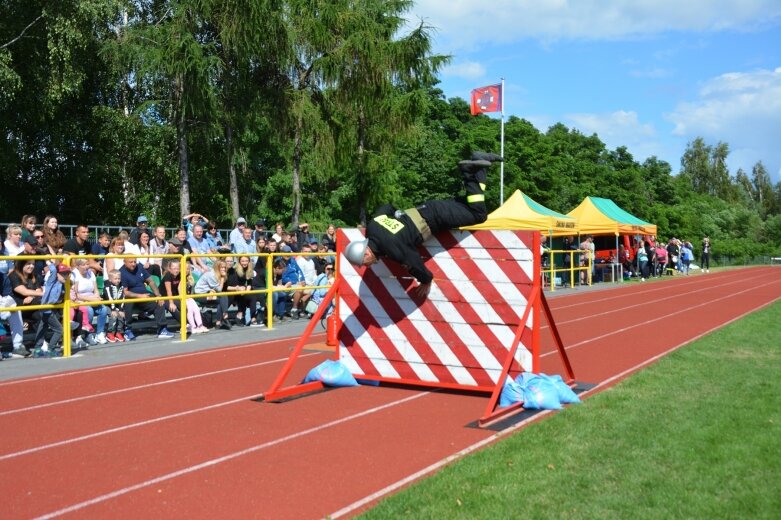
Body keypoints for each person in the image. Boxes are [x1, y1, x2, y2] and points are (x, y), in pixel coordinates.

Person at [344, 152, 500, 299]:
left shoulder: (392, 248)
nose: (364, 267)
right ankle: (480, 163)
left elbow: (415, 264)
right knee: (471, 201)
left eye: (362, 264)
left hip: (437, 217)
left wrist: (426, 280)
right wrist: (398, 214)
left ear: (366, 254)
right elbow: (385, 207)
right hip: (426, 209)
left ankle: (468, 171)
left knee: (478, 214)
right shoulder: (373, 227)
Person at [120, 257, 172, 340]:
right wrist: (140, 296)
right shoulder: (122, 272)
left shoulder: (139, 267)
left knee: (159, 302)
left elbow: (150, 281)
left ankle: (162, 329)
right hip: (131, 297)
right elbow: (125, 292)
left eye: (134, 262)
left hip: (144, 296)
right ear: (124, 262)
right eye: (131, 262)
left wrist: (158, 295)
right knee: (128, 302)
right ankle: (128, 330)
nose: (133, 264)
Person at [161, 260, 208, 334]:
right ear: (169, 269)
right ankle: (185, 324)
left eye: (177, 268)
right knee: (174, 308)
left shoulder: (180, 275)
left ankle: (196, 324)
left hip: (175, 296)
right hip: (164, 297)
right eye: (174, 268)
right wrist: (171, 303)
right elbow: (168, 291)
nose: (176, 270)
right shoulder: (168, 276)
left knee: (186, 306)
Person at [70, 258, 108, 345]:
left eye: (87, 264)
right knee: (89, 310)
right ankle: (87, 334)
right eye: (83, 265)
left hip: (92, 298)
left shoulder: (91, 273)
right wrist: (90, 299)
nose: (86, 267)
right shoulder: (74, 274)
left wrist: (97, 297)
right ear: (78, 266)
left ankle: (99, 333)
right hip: (79, 300)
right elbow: (75, 294)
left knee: (103, 309)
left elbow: (96, 289)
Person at [193, 258, 231, 330]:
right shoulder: (212, 275)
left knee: (222, 300)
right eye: (222, 267)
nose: (224, 269)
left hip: (209, 293)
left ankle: (218, 322)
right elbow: (219, 290)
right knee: (223, 297)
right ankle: (223, 317)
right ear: (217, 267)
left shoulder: (218, 274)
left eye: (225, 267)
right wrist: (222, 278)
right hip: (200, 295)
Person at [227, 256, 262, 326]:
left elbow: (249, 283)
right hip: (233, 291)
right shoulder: (234, 270)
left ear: (249, 261)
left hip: (242, 291)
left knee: (253, 296)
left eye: (246, 261)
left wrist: (247, 290)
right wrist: (239, 288)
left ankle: (253, 318)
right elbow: (230, 285)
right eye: (243, 261)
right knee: (240, 297)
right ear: (239, 261)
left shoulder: (249, 270)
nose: (245, 263)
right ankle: (239, 315)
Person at [102, 269, 127, 342]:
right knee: (113, 315)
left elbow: (123, 297)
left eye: (119, 278)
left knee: (121, 315)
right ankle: (110, 333)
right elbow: (110, 299)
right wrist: (113, 309)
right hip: (108, 305)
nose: (117, 280)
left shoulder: (121, 286)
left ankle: (119, 332)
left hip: (117, 305)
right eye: (115, 279)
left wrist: (121, 309)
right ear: (110, 279)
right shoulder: (107, 286)